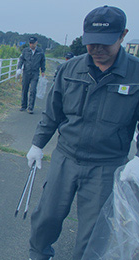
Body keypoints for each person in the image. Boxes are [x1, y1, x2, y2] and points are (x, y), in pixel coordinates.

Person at [26, 5, 139, 260]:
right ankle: (39, 254)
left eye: (105, 44)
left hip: (106, 164)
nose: (97, 50)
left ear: (123, 36)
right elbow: (52, 113)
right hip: (66, 157)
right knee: (46, 216)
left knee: (94, 231)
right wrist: (37, 144)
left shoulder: (135, 73)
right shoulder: (70, 70)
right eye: (92, 43)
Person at [16, 36, 46, 114]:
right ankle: (23, 106)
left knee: (33, 90)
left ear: (36, 43)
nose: (32, 45)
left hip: (35, 72)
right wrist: (19, 68)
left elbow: (43, 61)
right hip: (26, 72)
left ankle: (31, 107)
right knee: (24, 89)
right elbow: (21, 60)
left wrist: (43, 71)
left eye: (33, 43)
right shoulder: (25, 51)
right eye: (30, 43)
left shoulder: (40, 51)